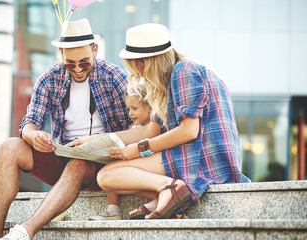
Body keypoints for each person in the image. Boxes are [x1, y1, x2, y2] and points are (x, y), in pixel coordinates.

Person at [71, 23, 251, 220]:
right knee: (107, 176)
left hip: (203, 160)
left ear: (147, 62)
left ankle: (169, 189)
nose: (138, 73)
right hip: (191, 155)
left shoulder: (184, 71)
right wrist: (93, 140)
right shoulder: (169, 80)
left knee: (107, 176)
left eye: (137, 65)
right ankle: (168, 194)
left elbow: (189, 131)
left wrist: (139, 149)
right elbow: (149, 131)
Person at [0, 18, 131, 240]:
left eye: (84, 62)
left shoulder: (115, 77)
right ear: (61, 56)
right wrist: (33, 134)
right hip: (62, 157)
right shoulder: (50, 78)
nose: (77, 69)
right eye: (70, 63)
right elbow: (28, 123)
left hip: (102, 166)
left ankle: (24, 232)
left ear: (95, 50)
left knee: (78, 163)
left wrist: (96, 142)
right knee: (9, 146)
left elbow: (135, 129)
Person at [89, 81, 152, 220]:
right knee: (111, 165)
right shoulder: (133, 128)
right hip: (132, 168)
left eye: (134, 108)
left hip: (149, 167)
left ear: (150, 108)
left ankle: (159, 199)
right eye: (128, 109)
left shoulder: (156, 128)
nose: (130, 113)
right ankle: (112, 209)